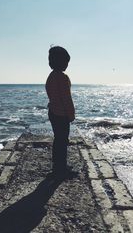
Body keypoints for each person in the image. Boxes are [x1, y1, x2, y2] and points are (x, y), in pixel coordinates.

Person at [45, 46, 75, 179]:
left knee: (58, 141)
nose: (67, 65)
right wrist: (71, 114)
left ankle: (58, 166)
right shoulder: (63, 78)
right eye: (66, 62)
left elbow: (52, 95)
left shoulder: (50, 77)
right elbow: (66, 98)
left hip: (52, 112)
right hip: (61, 114)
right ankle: (61, 169)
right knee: (63, 141)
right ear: (61, 62)